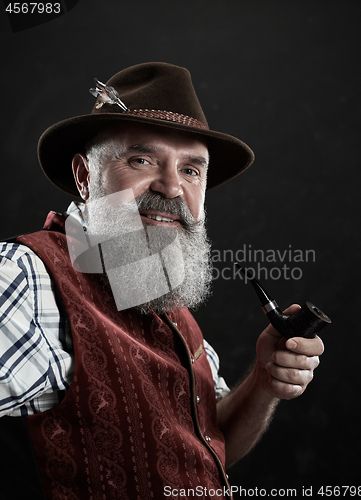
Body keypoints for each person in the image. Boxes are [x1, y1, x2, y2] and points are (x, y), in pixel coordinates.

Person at [0, 62, 324, 499]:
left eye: (192, 170)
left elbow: (207, 445)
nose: (172, 187)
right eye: (142, 159)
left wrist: (262, 383)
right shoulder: (25, 276)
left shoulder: (167, 303)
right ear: (84, 177)